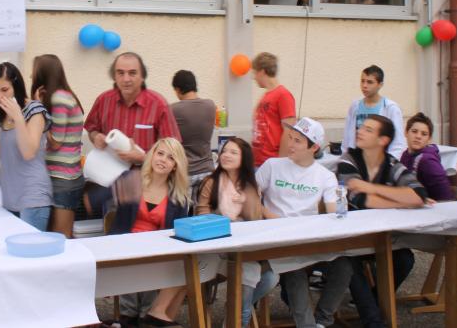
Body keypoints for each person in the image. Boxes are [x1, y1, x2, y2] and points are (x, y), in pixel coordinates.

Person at [145, 137, 275, 327]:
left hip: (244, 250)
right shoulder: (211, 182)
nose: (226, 155)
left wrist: (247, 202)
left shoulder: (251, 187)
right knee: (193, 267)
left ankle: (234, 310)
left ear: (244, 159)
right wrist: (226, 223)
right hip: (216, 249)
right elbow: (202, 216)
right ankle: (236, 312)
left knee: (270, 278)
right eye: (224, 151)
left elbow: (254, 221)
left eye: (233, 152)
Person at [256, 118, 352, 328]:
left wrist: (340, 197)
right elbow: (251, 196)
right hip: (278, 241)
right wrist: (271, 216)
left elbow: (336, 211)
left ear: (314, 147)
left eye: (298, 141)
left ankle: (322, 320)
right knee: (294, 272)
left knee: (344, 266)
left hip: (309, 240)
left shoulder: (325, 176)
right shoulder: (272, 165)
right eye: (290, 138)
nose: (290, 144)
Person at [337, 114, 429, 328]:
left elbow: (419, 195)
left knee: (405, 259)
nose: (359, 131)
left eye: (368, 129)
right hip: (351, 237)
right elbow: (361, 200)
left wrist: (371, 187)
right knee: (348, 263)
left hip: (384, 237)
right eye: (361, 127)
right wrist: (400, 199)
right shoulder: (348, 160)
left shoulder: (392, 164)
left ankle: (370, 301)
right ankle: (373, 321)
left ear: (383, 140)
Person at [87, 138, 190, 327]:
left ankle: (143, 317)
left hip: (157, 254)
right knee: (135, 267)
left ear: (175, 166)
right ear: (152, 155)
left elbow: (181, 233)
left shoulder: (178, 198)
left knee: (168, 267)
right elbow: (91, 202)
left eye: (170, 157)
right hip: (124, 250)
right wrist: (118, 192)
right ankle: (131, 318)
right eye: (160, 153)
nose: (163, 160)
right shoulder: (132, 178)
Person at [0, 62, 54, 231]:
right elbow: (4, 154)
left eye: (4, 90)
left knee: (29, 246)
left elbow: (28, 152)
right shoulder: (4, 115)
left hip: (33, 196)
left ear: (17, 86)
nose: (0, 96)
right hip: (10, 196)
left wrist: (18, 118)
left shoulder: (34, 110)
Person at [84, 52, 181, 166]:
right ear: (114, 76)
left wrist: (144, 158)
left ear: (142, 77)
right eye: (120, 73)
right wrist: (95, 137)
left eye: (132, 73)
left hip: (145, 173)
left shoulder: (159, 105)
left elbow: (173, 149)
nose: (126, 79)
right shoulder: (103, 100)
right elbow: (92, 129)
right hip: (108, 170)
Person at [30, 54, 85, 238]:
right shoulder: (63, 95)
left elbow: (56, 141)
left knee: (62, 236)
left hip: (63, 178)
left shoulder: (59, 99)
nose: (31, 76)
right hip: (60, 176)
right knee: (55, 236)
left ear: (44, 74)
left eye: (34, 72)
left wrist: (38, 109)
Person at [340, 65, 406, 157]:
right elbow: (347, 137)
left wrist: (388, 162)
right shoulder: (355, 106)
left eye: (370, 82)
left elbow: (398, 143)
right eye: (362, 81)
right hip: (356, 158)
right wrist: (345, 157)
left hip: (380, 160)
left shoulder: (391, 108)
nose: (364, 85)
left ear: (380, 85)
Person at [170, 70, 216, 183]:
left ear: (178, 89)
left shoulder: (173, 109)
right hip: (208, 171)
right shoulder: (210, 106)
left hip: (184, 173)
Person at [251, 52, 296, 167]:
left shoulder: (283, 95)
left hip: (272, 162)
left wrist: (280, 163)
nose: (254, 78)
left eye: (255, 73)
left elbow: (289, 131)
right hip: (259, 162)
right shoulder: (266, 95)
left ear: (262, 72)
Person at [399, 113, 454, 201]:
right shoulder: (405, 155)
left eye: (424, 134)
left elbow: (445, 196)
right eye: (414, 131)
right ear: (406, 132)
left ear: (429, 139)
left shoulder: (428, 161)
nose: (418, 136)